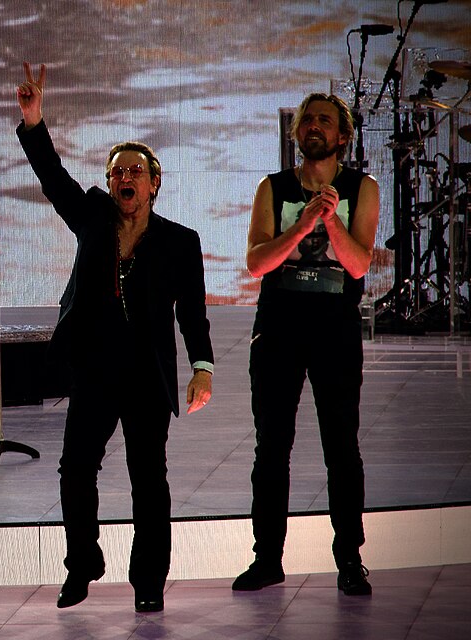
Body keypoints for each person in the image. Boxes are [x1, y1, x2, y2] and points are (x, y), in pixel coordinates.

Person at [15, 63, 214, 613]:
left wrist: (202, 367)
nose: (126, 178)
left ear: (154, 183)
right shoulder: (92, 219)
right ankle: (83, 564)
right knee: (76, 469)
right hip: (95, 369)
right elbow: (52, 177)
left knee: (149, 481)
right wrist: (34, 121)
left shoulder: (180, 242)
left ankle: (148, 582)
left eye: (135, 171)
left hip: (147, 374)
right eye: (117, 171)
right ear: (109, 183)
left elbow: (193, 314)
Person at [233, 93, 380, 596]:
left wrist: (331, 220)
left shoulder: (362, 188)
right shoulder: (272, 188)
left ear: (343, 136)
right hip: (279, 327)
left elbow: (359, 264)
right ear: (296, 133)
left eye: (325, 120)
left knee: (341, 446)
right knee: (272, 446)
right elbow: (257, 262)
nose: (314, 126)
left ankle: (350, 559)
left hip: (335, 328)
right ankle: (267, 558)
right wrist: (301, 225)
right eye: (307, 120)